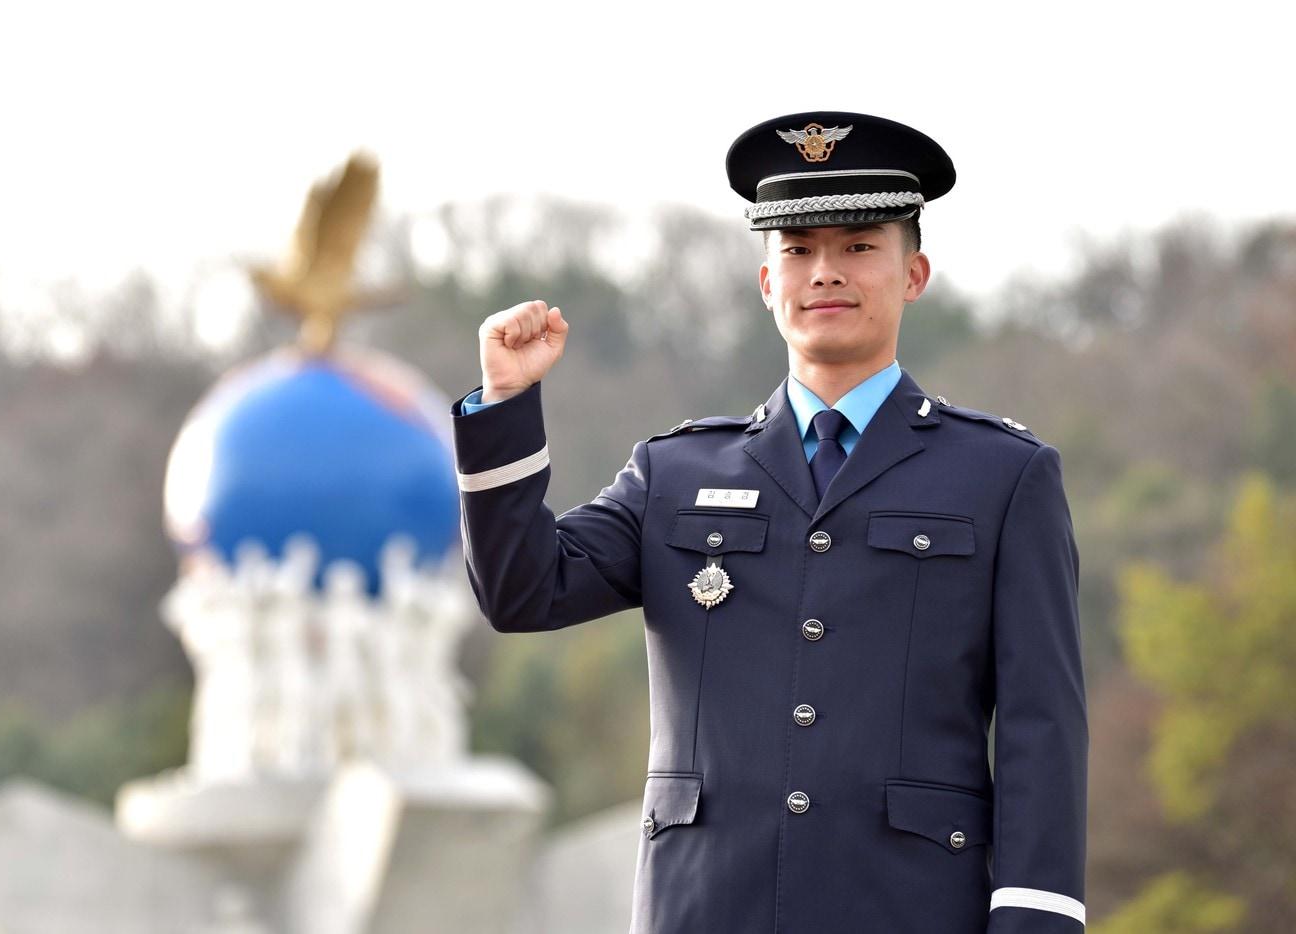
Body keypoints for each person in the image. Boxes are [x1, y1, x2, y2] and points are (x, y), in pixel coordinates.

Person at [449, 111, 1087, 934]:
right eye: (798, 250)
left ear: (914, 273)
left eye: (859, 247)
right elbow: (522, 591)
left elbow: (1043, 725)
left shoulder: (1002, 475)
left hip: (910, 909)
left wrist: (1036, 919)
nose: (825, 272)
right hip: (707, 907)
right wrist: (505, 404)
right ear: (765, 283)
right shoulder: (673, 473)